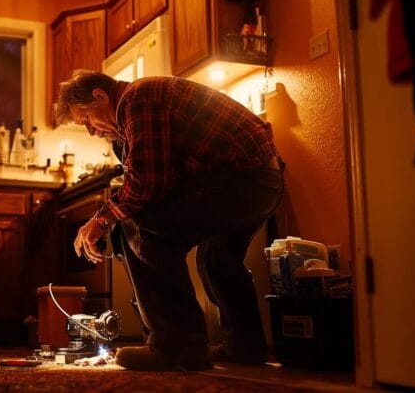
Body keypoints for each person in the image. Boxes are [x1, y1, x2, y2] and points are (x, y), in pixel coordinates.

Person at [55, 70, 284, 371]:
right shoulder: (132, 116)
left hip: (245, 181)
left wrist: (100, 219)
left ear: (100, 96)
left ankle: (177, 345)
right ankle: (245, 346)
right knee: (218, 259)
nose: (91, 131)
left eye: (85, 118)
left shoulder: (137, 99)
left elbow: (146, 185)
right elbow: (163, 179)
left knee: (138, 225)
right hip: (261, 180)